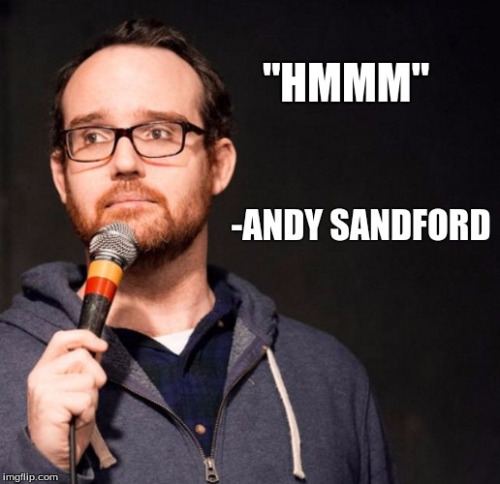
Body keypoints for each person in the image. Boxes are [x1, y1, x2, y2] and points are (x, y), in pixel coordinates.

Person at [0, 19, 397, 483]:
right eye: (92, 137)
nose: (124, 161)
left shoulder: (327, 377)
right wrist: (41, 467)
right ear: (61, 177)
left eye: (159, 133)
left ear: (218, 164)